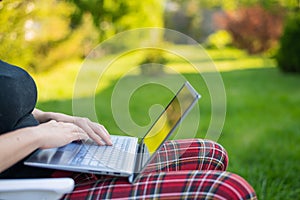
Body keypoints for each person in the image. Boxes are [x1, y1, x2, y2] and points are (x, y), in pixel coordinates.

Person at [0, 60, 257, 199]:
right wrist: (37, 135)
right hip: (36, 187)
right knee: (230, 192)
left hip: (53, 158)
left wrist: (47, 117)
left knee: (210, 153)